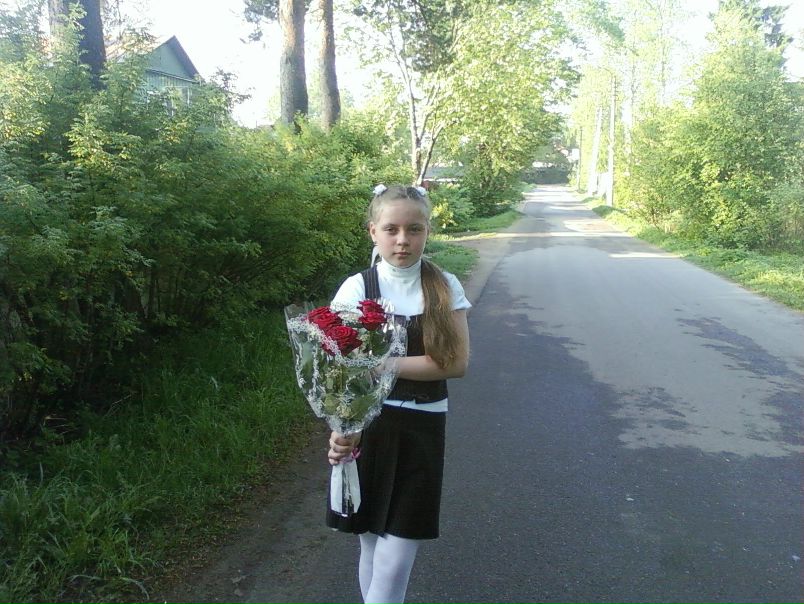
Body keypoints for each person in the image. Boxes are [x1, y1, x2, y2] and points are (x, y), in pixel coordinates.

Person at [326, 184, 471, 604]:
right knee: (370, 542)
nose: (402, 240)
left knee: (397, 551)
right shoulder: (357, 289)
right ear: (373, 231)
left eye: (414, 229)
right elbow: (338, 371)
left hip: (422, 425)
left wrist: (382, 364)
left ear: (428, 231)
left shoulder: (443, 287)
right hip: (368, 427)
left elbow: (455, 364)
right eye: (391, 229)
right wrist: (342, 429)